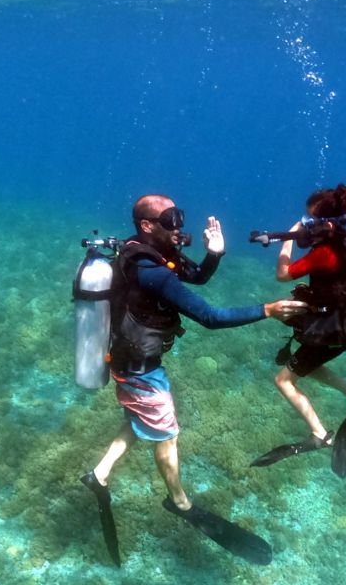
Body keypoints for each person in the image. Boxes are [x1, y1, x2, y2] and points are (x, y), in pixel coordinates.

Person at [80, 194, 307, 566]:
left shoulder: (151, 253)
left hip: (133, 362)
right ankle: (180, 502)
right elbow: (210, 317)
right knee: (166, 436)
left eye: (179, 215)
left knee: (139, 422)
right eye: (170, 218)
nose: (179, 225)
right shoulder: (148, 268)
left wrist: (214, 254)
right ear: (147, 225)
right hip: (140, 370)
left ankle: (99, 474)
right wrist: (268, 310)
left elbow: (196, 276)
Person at [250, 183, 346, 478]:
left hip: (330, 332)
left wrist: (287, 238)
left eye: (309, 221)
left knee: (284, 380)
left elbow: (282, 274)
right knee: (305, 364)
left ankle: (319, 434)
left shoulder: (325, 253)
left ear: (325, 223)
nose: (306, 226)